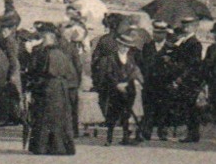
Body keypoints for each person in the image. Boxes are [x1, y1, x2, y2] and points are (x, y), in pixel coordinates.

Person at [24, 22, 79, 156]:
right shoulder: (61, 53)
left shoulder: (46, 53)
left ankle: (43, 147)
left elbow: (41, 72)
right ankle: (60, 147)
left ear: (49, 37)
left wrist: (31, 86)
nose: (41, 39)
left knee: (45, 118)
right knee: (59, 118)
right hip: (61, 88)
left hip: (48, 88)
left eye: (43, 36)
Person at [92, 18, 145, 145]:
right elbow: (108, 73)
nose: (125, 48)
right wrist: (117, 84)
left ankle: (125, 137)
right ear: (119, 45)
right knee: (113, 113)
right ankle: (109, 138)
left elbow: (133, 71)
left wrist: (133, 82)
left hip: (128, 88)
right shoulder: (111, 58)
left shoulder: (131, 58)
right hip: (115, 88)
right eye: (123, 46)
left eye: (127, 47)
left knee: (127, 113)